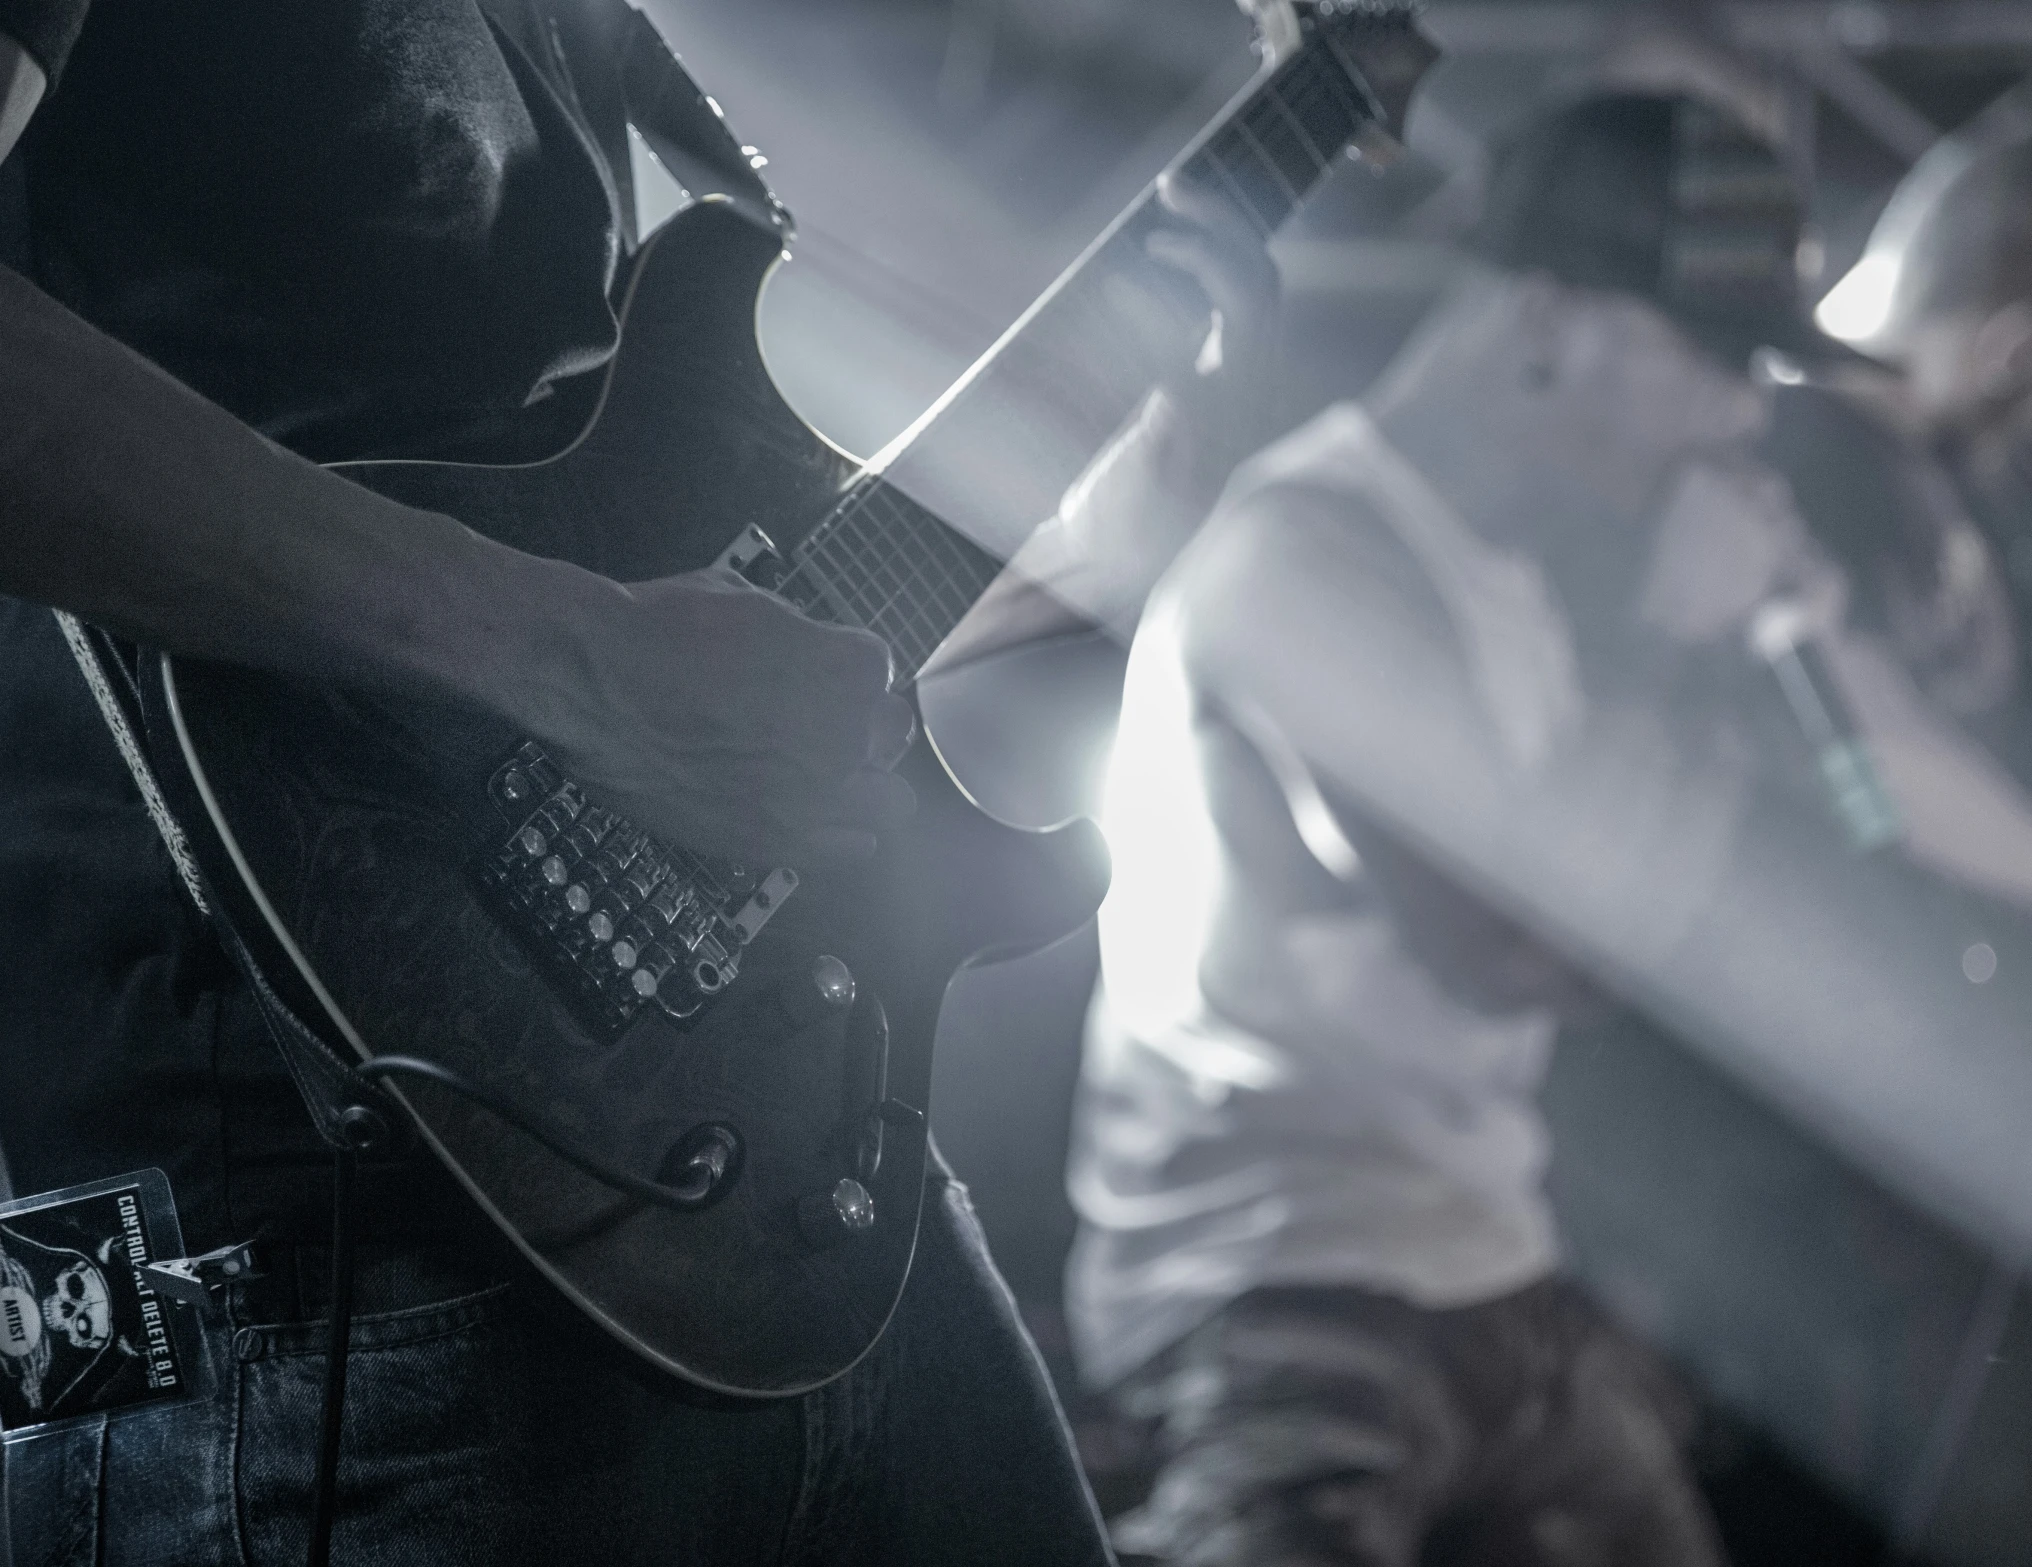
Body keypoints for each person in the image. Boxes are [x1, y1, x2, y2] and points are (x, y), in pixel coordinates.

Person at [0, 1, 1269, 1561]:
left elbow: (746, 640)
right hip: (320, 1259)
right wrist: (577, 663)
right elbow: (606, 661)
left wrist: (1135, 502)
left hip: (787, 1171)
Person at [1059, 79, 2032, 1567]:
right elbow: (1511, 946)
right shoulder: (1307, 560)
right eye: (1712, 356)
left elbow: (1785, 843)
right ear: (1543, 318)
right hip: (1273, 1290)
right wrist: (1673, 650)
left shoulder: (1523, 573)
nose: (1743, 412)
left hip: (1477, 1263)